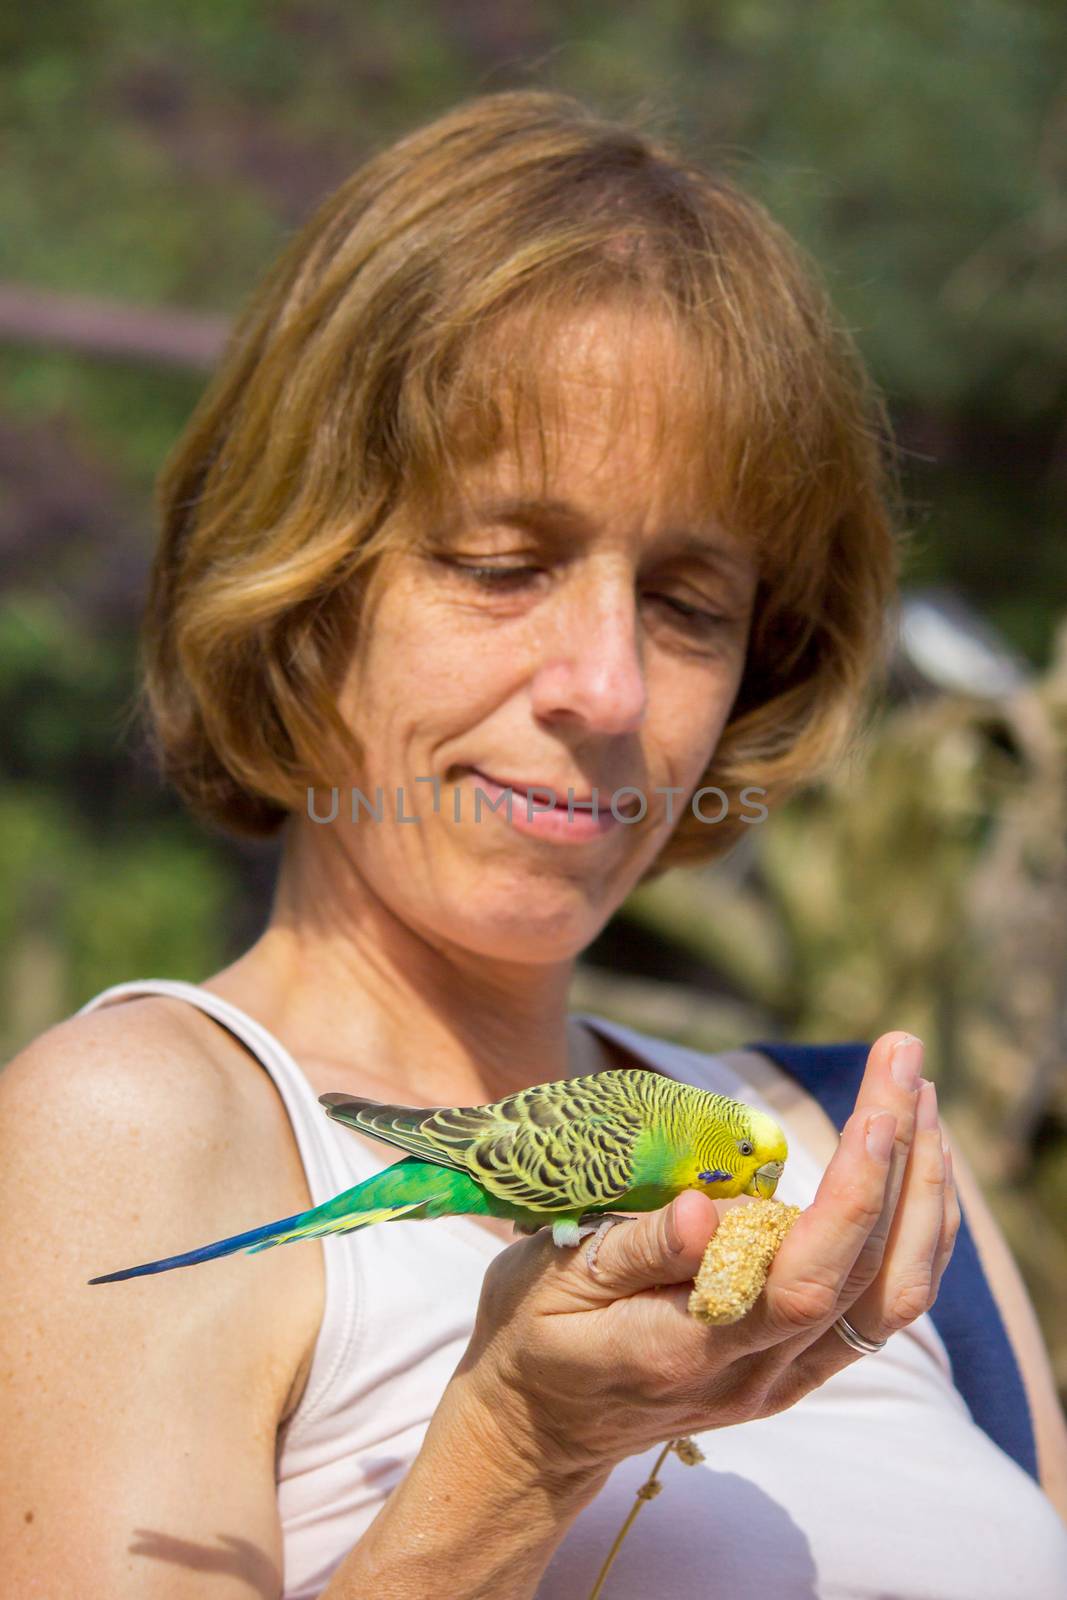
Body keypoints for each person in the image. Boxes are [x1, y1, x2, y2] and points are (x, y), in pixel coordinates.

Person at [2, 88, 1066, 1600]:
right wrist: (518, 1455)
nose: (609, 688)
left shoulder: (854, 1163)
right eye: (505, 565)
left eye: (692, 603)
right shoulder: (142, 1134)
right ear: (308, 597)